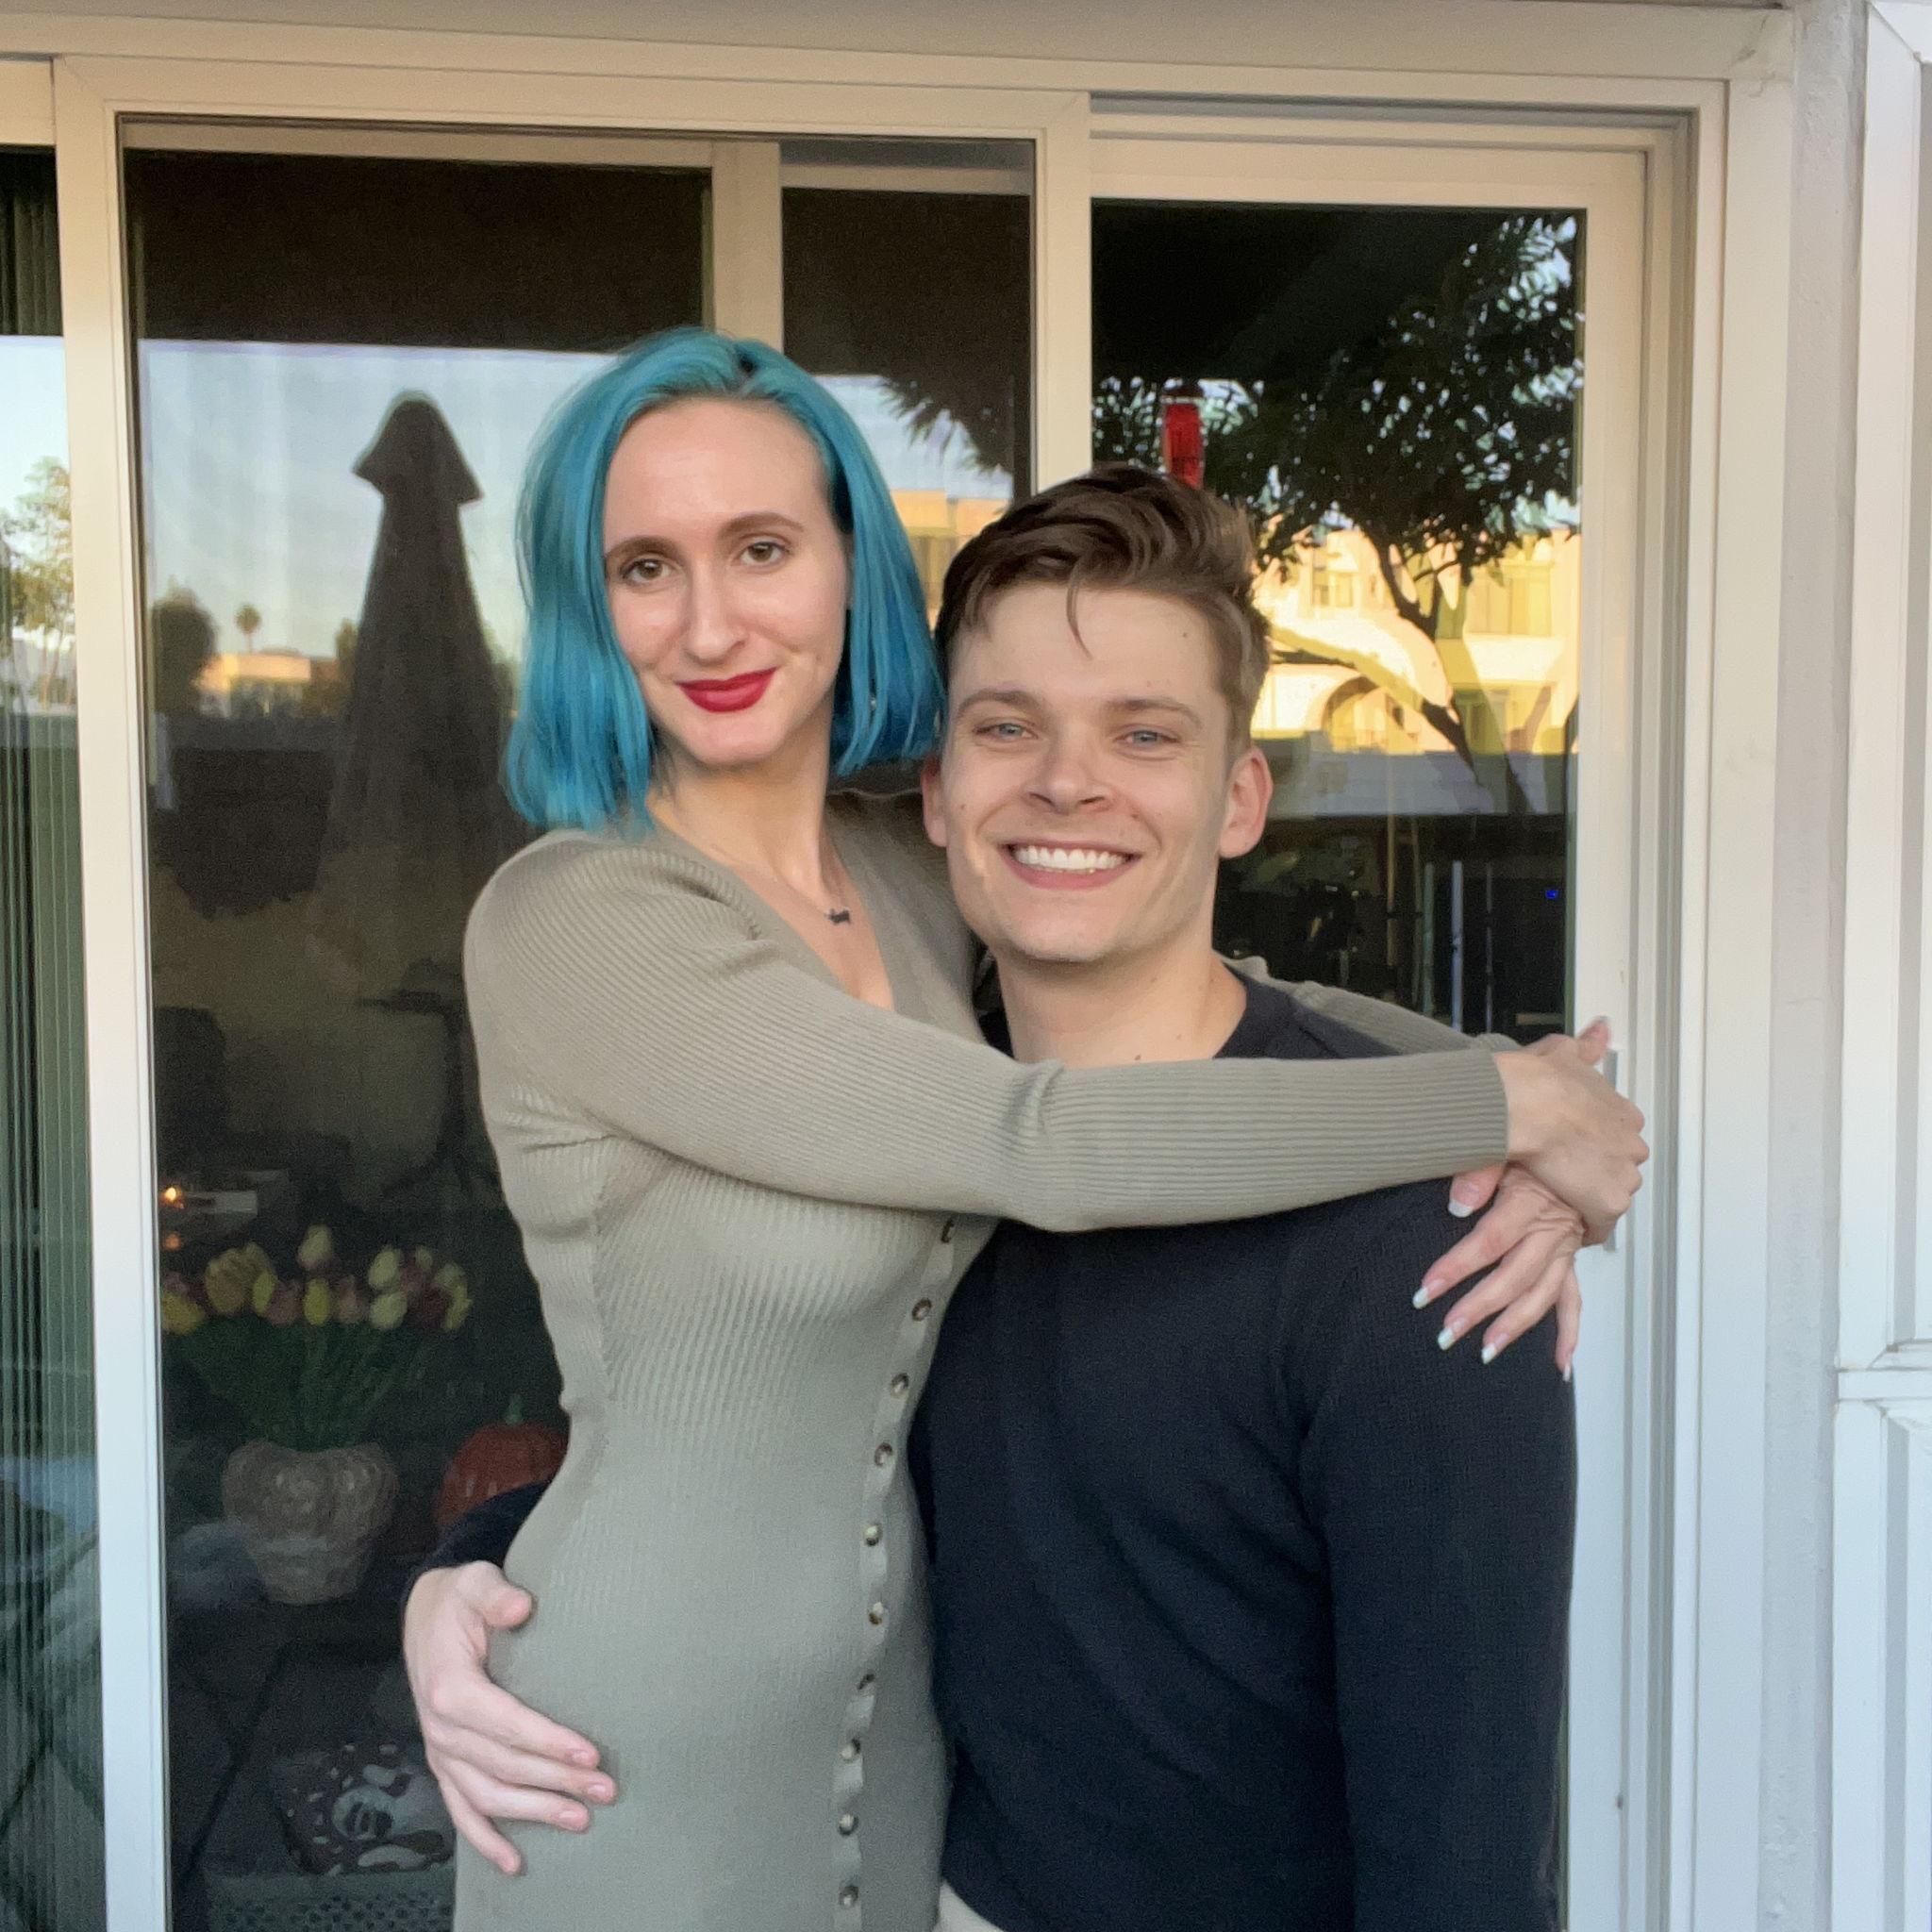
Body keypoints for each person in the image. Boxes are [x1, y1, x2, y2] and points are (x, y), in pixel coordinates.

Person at [434, 327, 1644, 1932]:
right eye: (643, 566)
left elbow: (1225, 983)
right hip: (628, 1767)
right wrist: (1503, 1103)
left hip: (895, 1794)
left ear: (848, 568)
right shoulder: (583, 916)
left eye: (763, 548)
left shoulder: (907, 874)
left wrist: (1549, 1105)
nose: (710, 620)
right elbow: (1034, 1142)